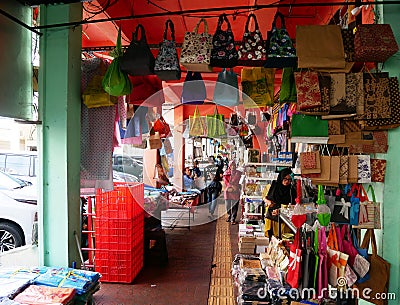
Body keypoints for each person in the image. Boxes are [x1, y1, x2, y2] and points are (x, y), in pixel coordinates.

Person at [264, 168, 297, 238]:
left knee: (284, 238)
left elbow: (293, 204)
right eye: (285, 179)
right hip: (272, 216)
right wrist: (268, 202)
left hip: (284, 219)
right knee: (272, 238)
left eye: (289, 180)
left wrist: (282, 209)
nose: (287, 182)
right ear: (281, 178)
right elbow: (265, 197)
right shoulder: (274, 185)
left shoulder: (292, 190)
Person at [223, 160, 243, 225]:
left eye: (234, 165)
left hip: (236, 191)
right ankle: (229, 216)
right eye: (231, 165)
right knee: (227, 205)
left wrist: (236, 187)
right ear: (229, 166)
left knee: (235, 206)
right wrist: (230, 186)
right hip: (228, 191)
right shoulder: (226, 173)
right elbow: (225, 182)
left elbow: (241, 181)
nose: (233, 167)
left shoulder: (239, 173)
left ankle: (233, 219)